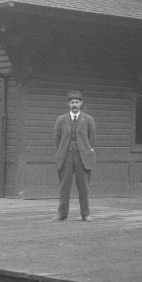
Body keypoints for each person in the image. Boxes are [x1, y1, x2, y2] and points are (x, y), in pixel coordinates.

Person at [53, 90, 96, 221]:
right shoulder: (61, 119)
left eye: (77, 102)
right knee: (64, 187)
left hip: (82, 156)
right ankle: (62, 214)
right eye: (72, 102)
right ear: (68, 104)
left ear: (81, 103)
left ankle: (85, 214)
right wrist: (63, 150)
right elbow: (57, 138)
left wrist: (85, 149)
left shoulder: (88, 119)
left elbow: (92, 138)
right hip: (65, 156)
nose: (74, 104)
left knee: (83, 187)